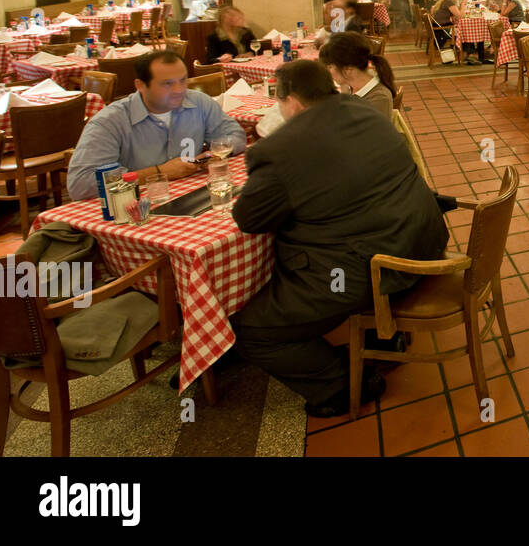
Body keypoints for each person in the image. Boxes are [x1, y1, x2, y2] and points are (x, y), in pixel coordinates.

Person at [230, 60, 449, 417]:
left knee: (250, 328)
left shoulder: (279, 149)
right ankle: (380, 336)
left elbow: (250, 219)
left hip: (368, 270)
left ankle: (344, 381)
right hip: (422, 240)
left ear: (293, 103)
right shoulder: (365, 109)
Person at [67, 50, 247, 198]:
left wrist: (214, 153)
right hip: (136, 209)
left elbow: (236, 135)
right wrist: (158, 172)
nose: (179, 90)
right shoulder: (110, 122)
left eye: (182, 81)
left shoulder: (199, 102)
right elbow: (81, 184)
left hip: (195, 196)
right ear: (140, 85)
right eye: (167, 84)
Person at [319, 31, 397, 119]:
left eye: (330, 67)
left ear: (348, 68)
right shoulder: (351, 85)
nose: (328, 72)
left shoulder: (378, 99)